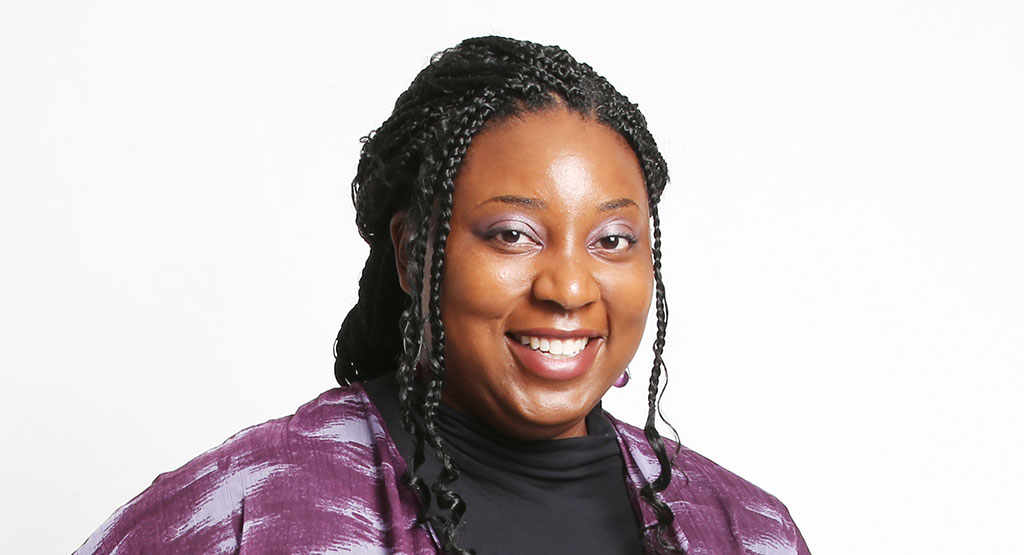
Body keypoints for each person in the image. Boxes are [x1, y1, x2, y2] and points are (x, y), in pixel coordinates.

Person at [75, 36, 810, 555]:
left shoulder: (745, 529)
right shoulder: (248, 512)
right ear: (411, 250)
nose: (569, 287)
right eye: (513, 234)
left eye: (612, 240)